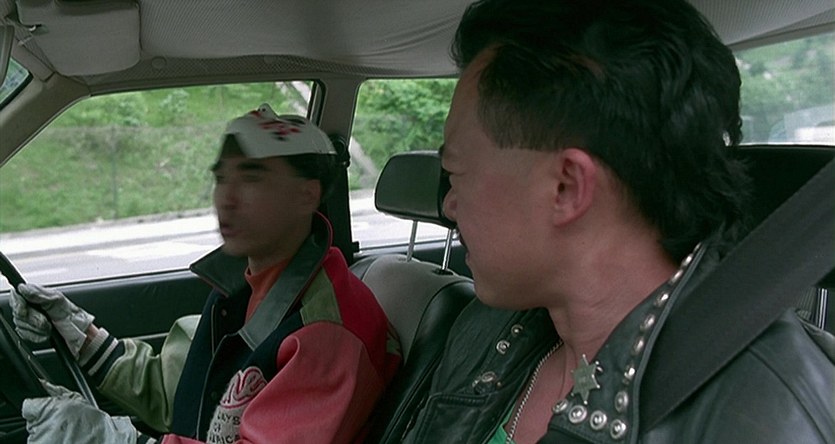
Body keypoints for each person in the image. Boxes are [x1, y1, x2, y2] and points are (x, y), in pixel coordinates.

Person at [401, 0, 835, 443]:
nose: (450, 204)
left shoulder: (768, 418)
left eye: (456, 172)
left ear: (566, 187)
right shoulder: (484, 330)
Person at [11, 104, 401, 444]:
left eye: (251, 178)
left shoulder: (326, 333)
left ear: (306, 196)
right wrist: (82, 336)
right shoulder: (241, 287)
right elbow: (183, 398)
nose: (225, 199)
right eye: (221, 178)